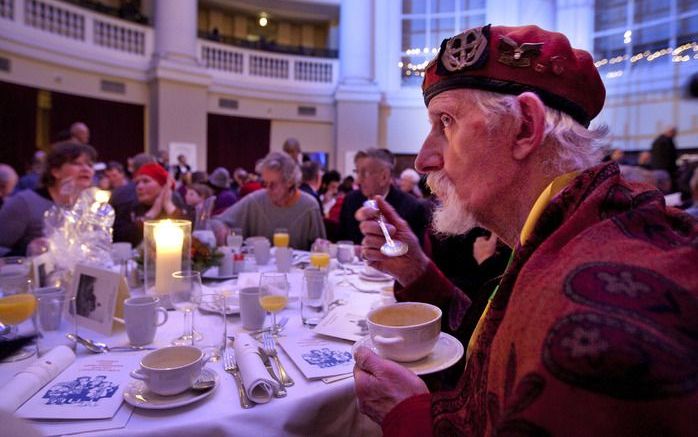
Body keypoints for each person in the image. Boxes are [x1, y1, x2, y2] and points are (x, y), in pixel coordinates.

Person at [352, 24, 697, 436]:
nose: (423, 160)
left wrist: (410, 417)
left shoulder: (586, 321)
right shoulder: (573, 228)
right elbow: (493, 344)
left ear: (525, 128)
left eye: (446, 122)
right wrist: (416, 271)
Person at [0, 142, 96, 256]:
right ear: (55, 171)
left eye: (89, 165)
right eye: (76, 163)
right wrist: (26, 251)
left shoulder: (87, 206)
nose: (86, 169)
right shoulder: (25, 202)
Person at [215, 152, 326, 250]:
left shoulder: (309, 207)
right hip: (256, 271)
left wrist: (320, 246)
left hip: (296, 272)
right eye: (264, 183)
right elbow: (217, 221)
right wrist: (220, 228)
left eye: (273, 184)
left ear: (290, 182)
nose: (267, 189)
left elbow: (321, 247)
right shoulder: (255, 201)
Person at [338, 148, 429, 245]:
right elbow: (342, 241)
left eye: (364, 174)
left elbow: (414, 254)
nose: (358, 181)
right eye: (357, 172)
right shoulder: (351, 200)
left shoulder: (411, 207)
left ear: (384, 177)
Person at [112, 163, 186, 246]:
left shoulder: (177, 206)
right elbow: (120, 239)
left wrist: (168, 204)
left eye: (146, 181)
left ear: (163, 186)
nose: (139, 187)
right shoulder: (128, 208)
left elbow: (187, 238)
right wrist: (152, 213)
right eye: (137, 183)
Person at [650, 126, 678, 191]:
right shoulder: (667, 141)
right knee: (666, 189)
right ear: (671, 132)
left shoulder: (657, 140)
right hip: (665, 170)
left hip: (656, 169)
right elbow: (669, 157)